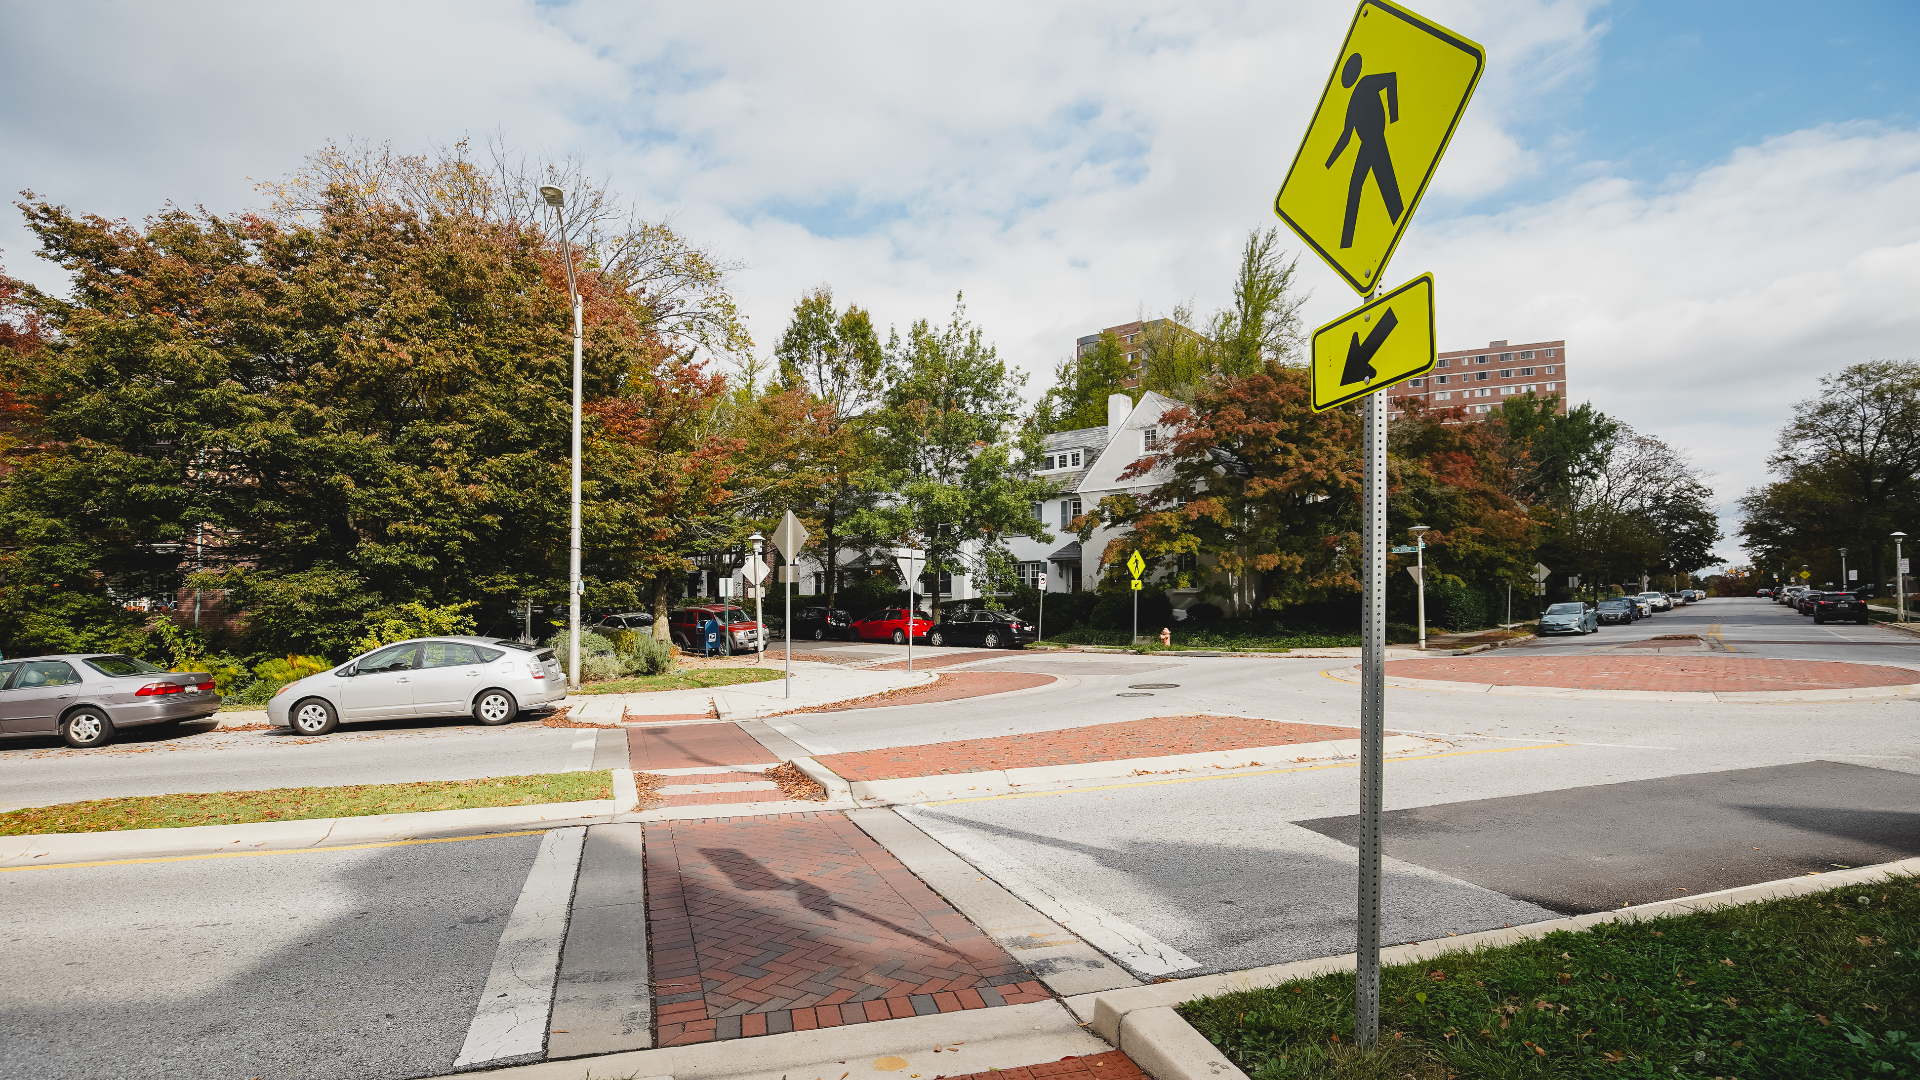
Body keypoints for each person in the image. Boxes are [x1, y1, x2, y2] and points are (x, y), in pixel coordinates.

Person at [1324, 51, 1403, 250]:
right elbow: (1346, 137)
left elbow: (1391, 79)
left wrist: (1394, 117)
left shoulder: (1367, 83)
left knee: (1377, 184)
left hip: (1375, 140)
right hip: (1367, 144)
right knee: (1366, 184)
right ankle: (1347, 242)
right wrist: (1328, 163)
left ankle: (1347, 242)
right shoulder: (1351, 103)